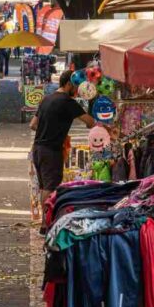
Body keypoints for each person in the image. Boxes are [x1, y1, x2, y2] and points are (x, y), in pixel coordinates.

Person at [30, 71, 95, 233]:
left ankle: (46, 221)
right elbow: (90, 122)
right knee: (50, 187)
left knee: (45, 186)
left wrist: (51, 127)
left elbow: (32, 124)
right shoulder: (68, 102)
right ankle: (46, 224)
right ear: (69, 84)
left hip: (37, 148)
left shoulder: (47, 98)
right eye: (76, 86)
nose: (78, 90)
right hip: (51, 151)